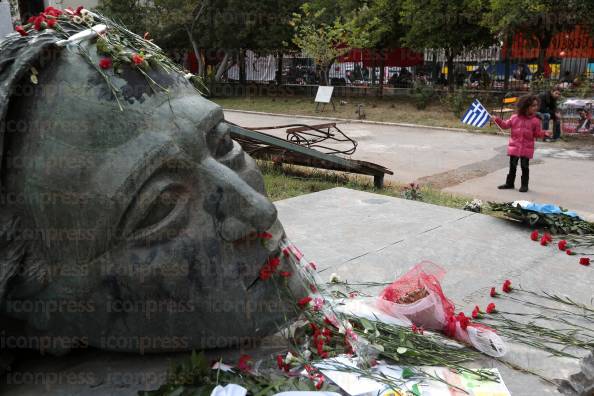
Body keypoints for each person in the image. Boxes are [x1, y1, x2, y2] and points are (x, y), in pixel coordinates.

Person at [493, 95, 549, 192]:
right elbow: (505, 125)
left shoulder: (535, 121)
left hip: (526, 148)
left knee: (525, 166)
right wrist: (497, 119)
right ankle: (509, 183)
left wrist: (544, 134)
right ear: (525, 106)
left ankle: (524, 185)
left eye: (536, 105)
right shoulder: (514, 117)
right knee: (512, 166)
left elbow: (536, 134)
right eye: (533, 105)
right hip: (514, 147)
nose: (536, 107)